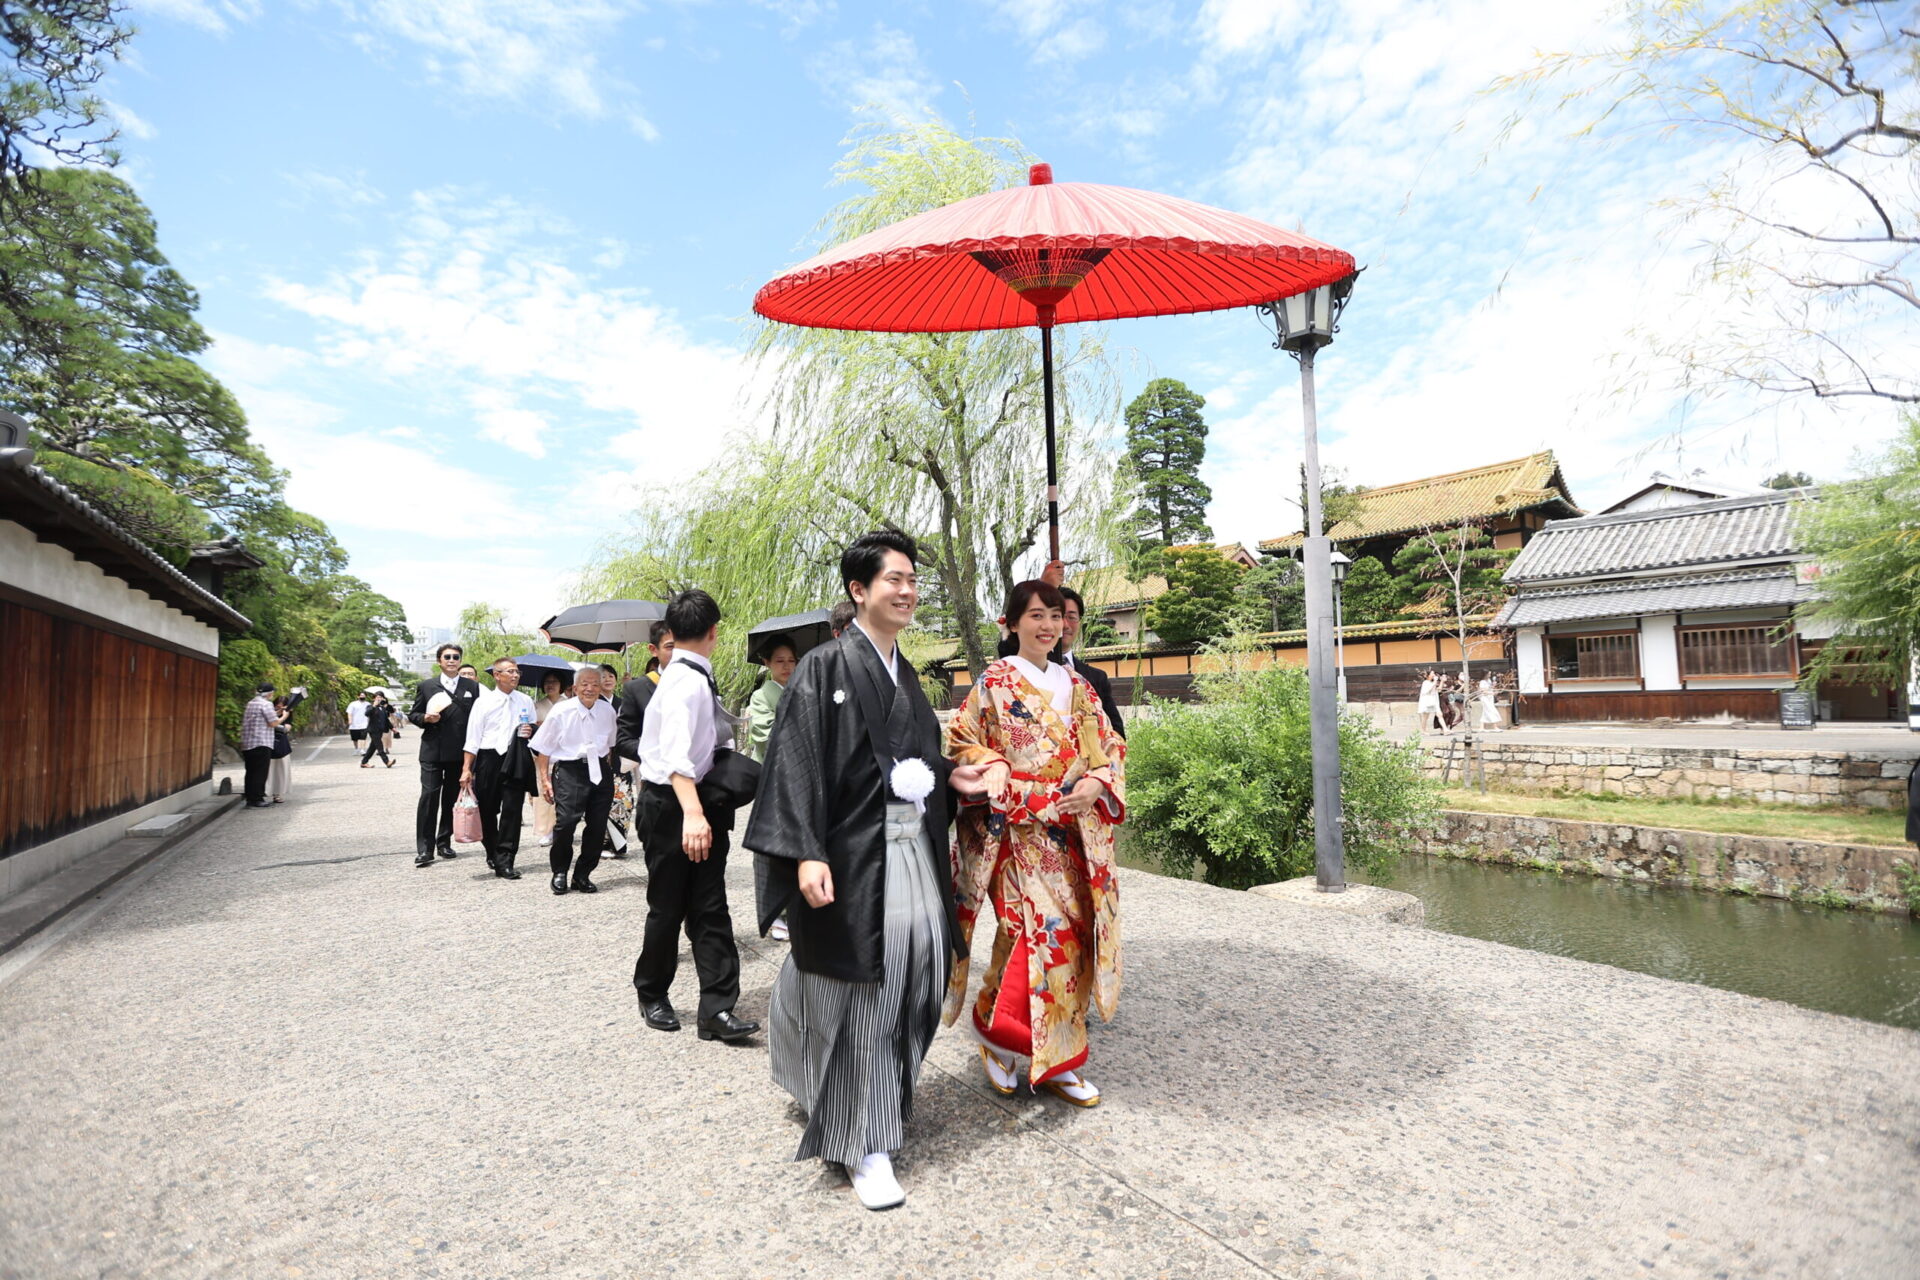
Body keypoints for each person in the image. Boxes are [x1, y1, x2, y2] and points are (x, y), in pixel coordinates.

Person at [748, 531, 985, 1211]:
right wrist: (804, 853)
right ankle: (860, 1143)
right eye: (894, 580)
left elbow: (906, 764)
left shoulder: (905, 675)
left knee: (917, 974)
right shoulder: (823, 668)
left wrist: (951, 776)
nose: (907, 591)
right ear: (859, 591)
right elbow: (795, 767)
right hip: (850, 859)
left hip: (909, 852)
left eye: (913, 580)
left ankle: (834, 1088)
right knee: (862, 991)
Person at [947, 578, 1125, 1111]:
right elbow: (961, 740)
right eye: (1037, 616)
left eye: (1057, 616)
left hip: (1072, 835)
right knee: (1027, 936)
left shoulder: (1081, 686)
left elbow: (1109, 746)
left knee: (1070, 941)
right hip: (1016, 834)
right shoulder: (995, 683)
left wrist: (1098, 782)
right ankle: (1000, 1035)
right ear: (1012, 623)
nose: (1049, 626)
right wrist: (994, 762)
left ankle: (1060, 1060)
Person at [633, 590, 759, 1044]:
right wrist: (693, 815)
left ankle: (717, 1009)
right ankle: (652, 993)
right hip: (675, 806)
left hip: (693, 802)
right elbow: (674, 758)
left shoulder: (688, 674)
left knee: (709, 905)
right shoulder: (685, 681)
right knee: (668, 907)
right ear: (714, 633)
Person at [530, 663, 615, 895]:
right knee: (566, 822)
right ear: (575, 688)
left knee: (597, 826)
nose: (590, 688)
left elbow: (611, 746)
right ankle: (560, 871)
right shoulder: (561, 711)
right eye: (585, 684)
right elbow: (543, 750)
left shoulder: (607, 711)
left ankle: (583, 874)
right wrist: (545, 780)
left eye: (595, 684)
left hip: (599, 771)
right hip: (570, 770)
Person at [461, 658, 538, 880]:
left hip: (515, 758)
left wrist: (530, 730)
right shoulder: (483, 702)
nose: (514, 676)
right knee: (487, 809)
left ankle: (506, 859)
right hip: (489, 759)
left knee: (512, 811)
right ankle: (492, 851)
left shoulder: (525, 700)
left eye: (517, 672)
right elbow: (473, 737)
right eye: (509, 672)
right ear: (497, 675)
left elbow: (534, 731)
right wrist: (467, 769)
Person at [408, 643, 481, 867]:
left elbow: (478, 719)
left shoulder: (472, 687)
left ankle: (444, 842)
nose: (451, 660)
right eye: (447, 657)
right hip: (432, 750)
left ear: (460, 661)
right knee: (429, 796)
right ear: (439, 661)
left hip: (459, 753)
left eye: (456, 657)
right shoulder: (427, 685)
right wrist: (425, 719)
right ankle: (425, 848)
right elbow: (413, 714)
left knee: (450, 799)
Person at [1056, 586, 1125, 737]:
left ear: (1080, 622)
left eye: (1072, 617)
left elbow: (1117, 731)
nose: (1065, 625)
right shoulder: (1027, 672)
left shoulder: (1097, 678)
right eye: (1057, 616)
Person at [745, 636, 797, 763]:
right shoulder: (761, 696)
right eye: (780, 661)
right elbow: (765, 736)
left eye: (791, 660)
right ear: (767, 662)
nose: (786, 666)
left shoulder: (801, 692)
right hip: (772, 766)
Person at [239, 682, 277, 809]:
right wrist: (284, 716)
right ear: (270, 693)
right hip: (262, 742)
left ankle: (250, 798)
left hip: (248, 743)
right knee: (260, 772)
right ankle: (258, 798)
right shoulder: (266, 704)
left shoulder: (251, 703)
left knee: (250, 771)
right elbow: (273, 723)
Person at [266, 696, 295, 803]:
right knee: (267, 770)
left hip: (281, 746)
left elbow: (286, 729)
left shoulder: (287, 715)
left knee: (280, 771)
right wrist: (279, 715)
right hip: (267, 744)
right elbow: (270, 724)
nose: (279, 706)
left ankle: (277, 794)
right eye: (277, 704)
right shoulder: (268, 712)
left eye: (282, 705)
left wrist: (284, 715)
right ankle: (264, 791)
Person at [361, 695, 396, 768]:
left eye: (380, 697)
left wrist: (392, 728)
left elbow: (386, 720)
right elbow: (367, 714)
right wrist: (374, 706)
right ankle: (387, 762)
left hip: (380, 730)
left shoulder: (382, 708)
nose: (379, 699)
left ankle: (364, 762)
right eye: (377, 697)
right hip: (373, 730)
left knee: (372, 747)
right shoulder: (370, 707)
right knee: (380, 747)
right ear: (373, 698)